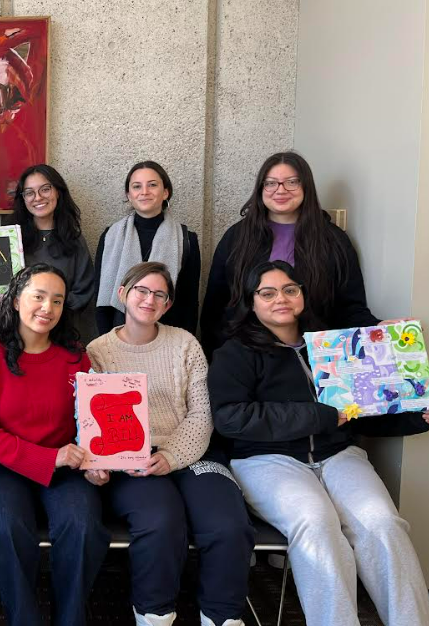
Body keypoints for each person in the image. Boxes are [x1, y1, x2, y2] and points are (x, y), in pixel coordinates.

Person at [208, 260, 429, 626]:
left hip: (338, 454)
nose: (281, 299)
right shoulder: (235, 353)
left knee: (383, 523)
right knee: (316, 522)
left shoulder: (334, 345)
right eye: (267, 293)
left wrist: (416, 417)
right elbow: (231, 418)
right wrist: (320, 416)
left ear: (303, 295)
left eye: (290, 289)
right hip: (266, 461)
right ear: (251, 301)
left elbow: (363, 410)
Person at [86, 262, 253, 626]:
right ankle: (155, 614)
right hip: (132, 459)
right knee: (160, 521)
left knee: (228, 523)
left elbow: (203, 412)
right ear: (122, 294)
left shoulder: (185, 344)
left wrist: (172, 454)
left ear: (167, 305)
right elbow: (93, 418)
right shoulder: (98, 351)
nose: (149, 300)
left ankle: (223, 616)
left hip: (192, 452)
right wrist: (102, 463)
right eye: (141, 291)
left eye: (159, 294)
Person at [0, 264, 109, 626]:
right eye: (39, 296)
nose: (48, 308)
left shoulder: (75, 356)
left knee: (83, 525)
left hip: (66, 466)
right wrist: (49, 458)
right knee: (6, 525)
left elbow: (90, 423)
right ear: (16, 301)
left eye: (57, 301)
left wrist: (97, 462)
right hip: (0, 465)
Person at [200, 151, 376, 357]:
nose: (280, 190)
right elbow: (215, 306)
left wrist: (380, 328)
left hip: (316, 355)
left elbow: (351, 308)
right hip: (246, 354)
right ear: (261, 189)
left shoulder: (333, 240)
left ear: (306, 186)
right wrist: (218, 356)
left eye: (292, 182)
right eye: (271, 183)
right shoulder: (237, 237)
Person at [95, 161, 200, 336]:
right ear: (129, 195)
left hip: (169, 336)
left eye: (152, 185)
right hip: (119, 335)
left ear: (165, 192)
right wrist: (106, 339)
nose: (144, 192)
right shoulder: (110, 236)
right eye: (137, 186)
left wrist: (184, 343)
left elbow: (189, 302)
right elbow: (101, 296)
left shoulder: (186, 239)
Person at [7, 164, 95, 313]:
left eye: (45, 189)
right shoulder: (11, 238)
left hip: (60, 322)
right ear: (23, 199)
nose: (38, 197)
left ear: (58, 192)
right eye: (29, 193)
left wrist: (50, 308)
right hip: (15, 322)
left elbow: (83, 291)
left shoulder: (74, 239)